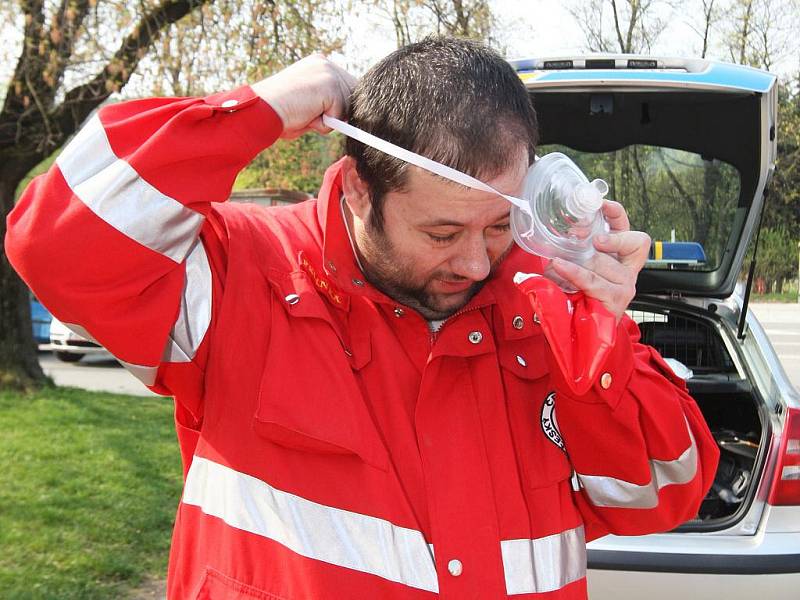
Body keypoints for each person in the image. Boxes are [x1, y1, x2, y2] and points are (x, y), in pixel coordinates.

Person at [6, 37, 719, 599]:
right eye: (441, 235)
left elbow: (662, 492)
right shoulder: (240, 278)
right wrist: (263, 108)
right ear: (357, 190)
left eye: (499, 226)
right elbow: (57, 242)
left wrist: (601, 329)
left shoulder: (545, 303)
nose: (475, 263)